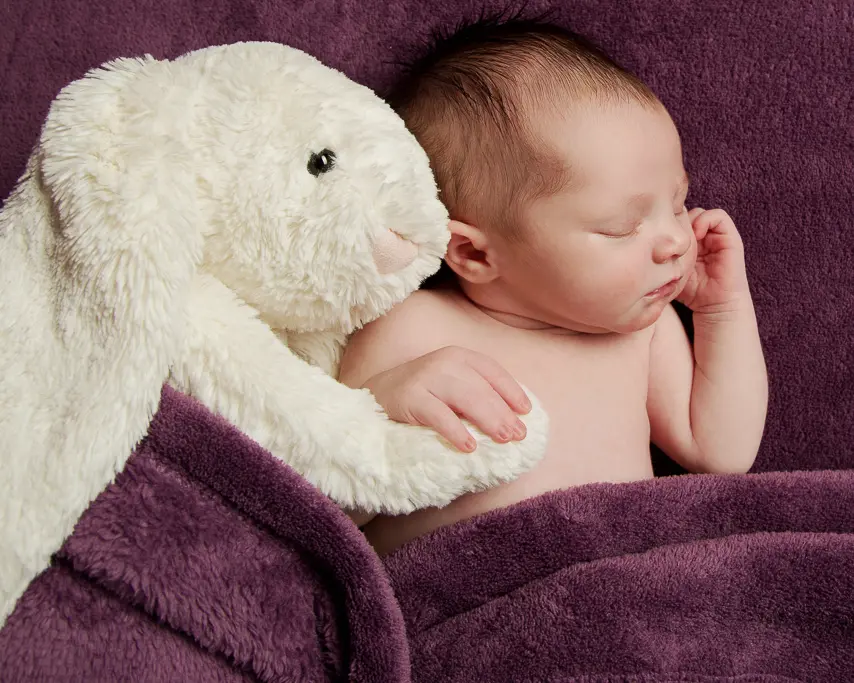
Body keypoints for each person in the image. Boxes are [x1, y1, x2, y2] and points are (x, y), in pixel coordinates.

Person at [338, 16, 768, 554]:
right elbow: (325, 507)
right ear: (474, 253)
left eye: (678, 204)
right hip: (468, 587)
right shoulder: (411, 328)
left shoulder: (639, 331)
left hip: (621, 584)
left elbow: (722, 452)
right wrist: (385, 403)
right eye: (622, 227)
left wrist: (721, 310)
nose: (677, 240)